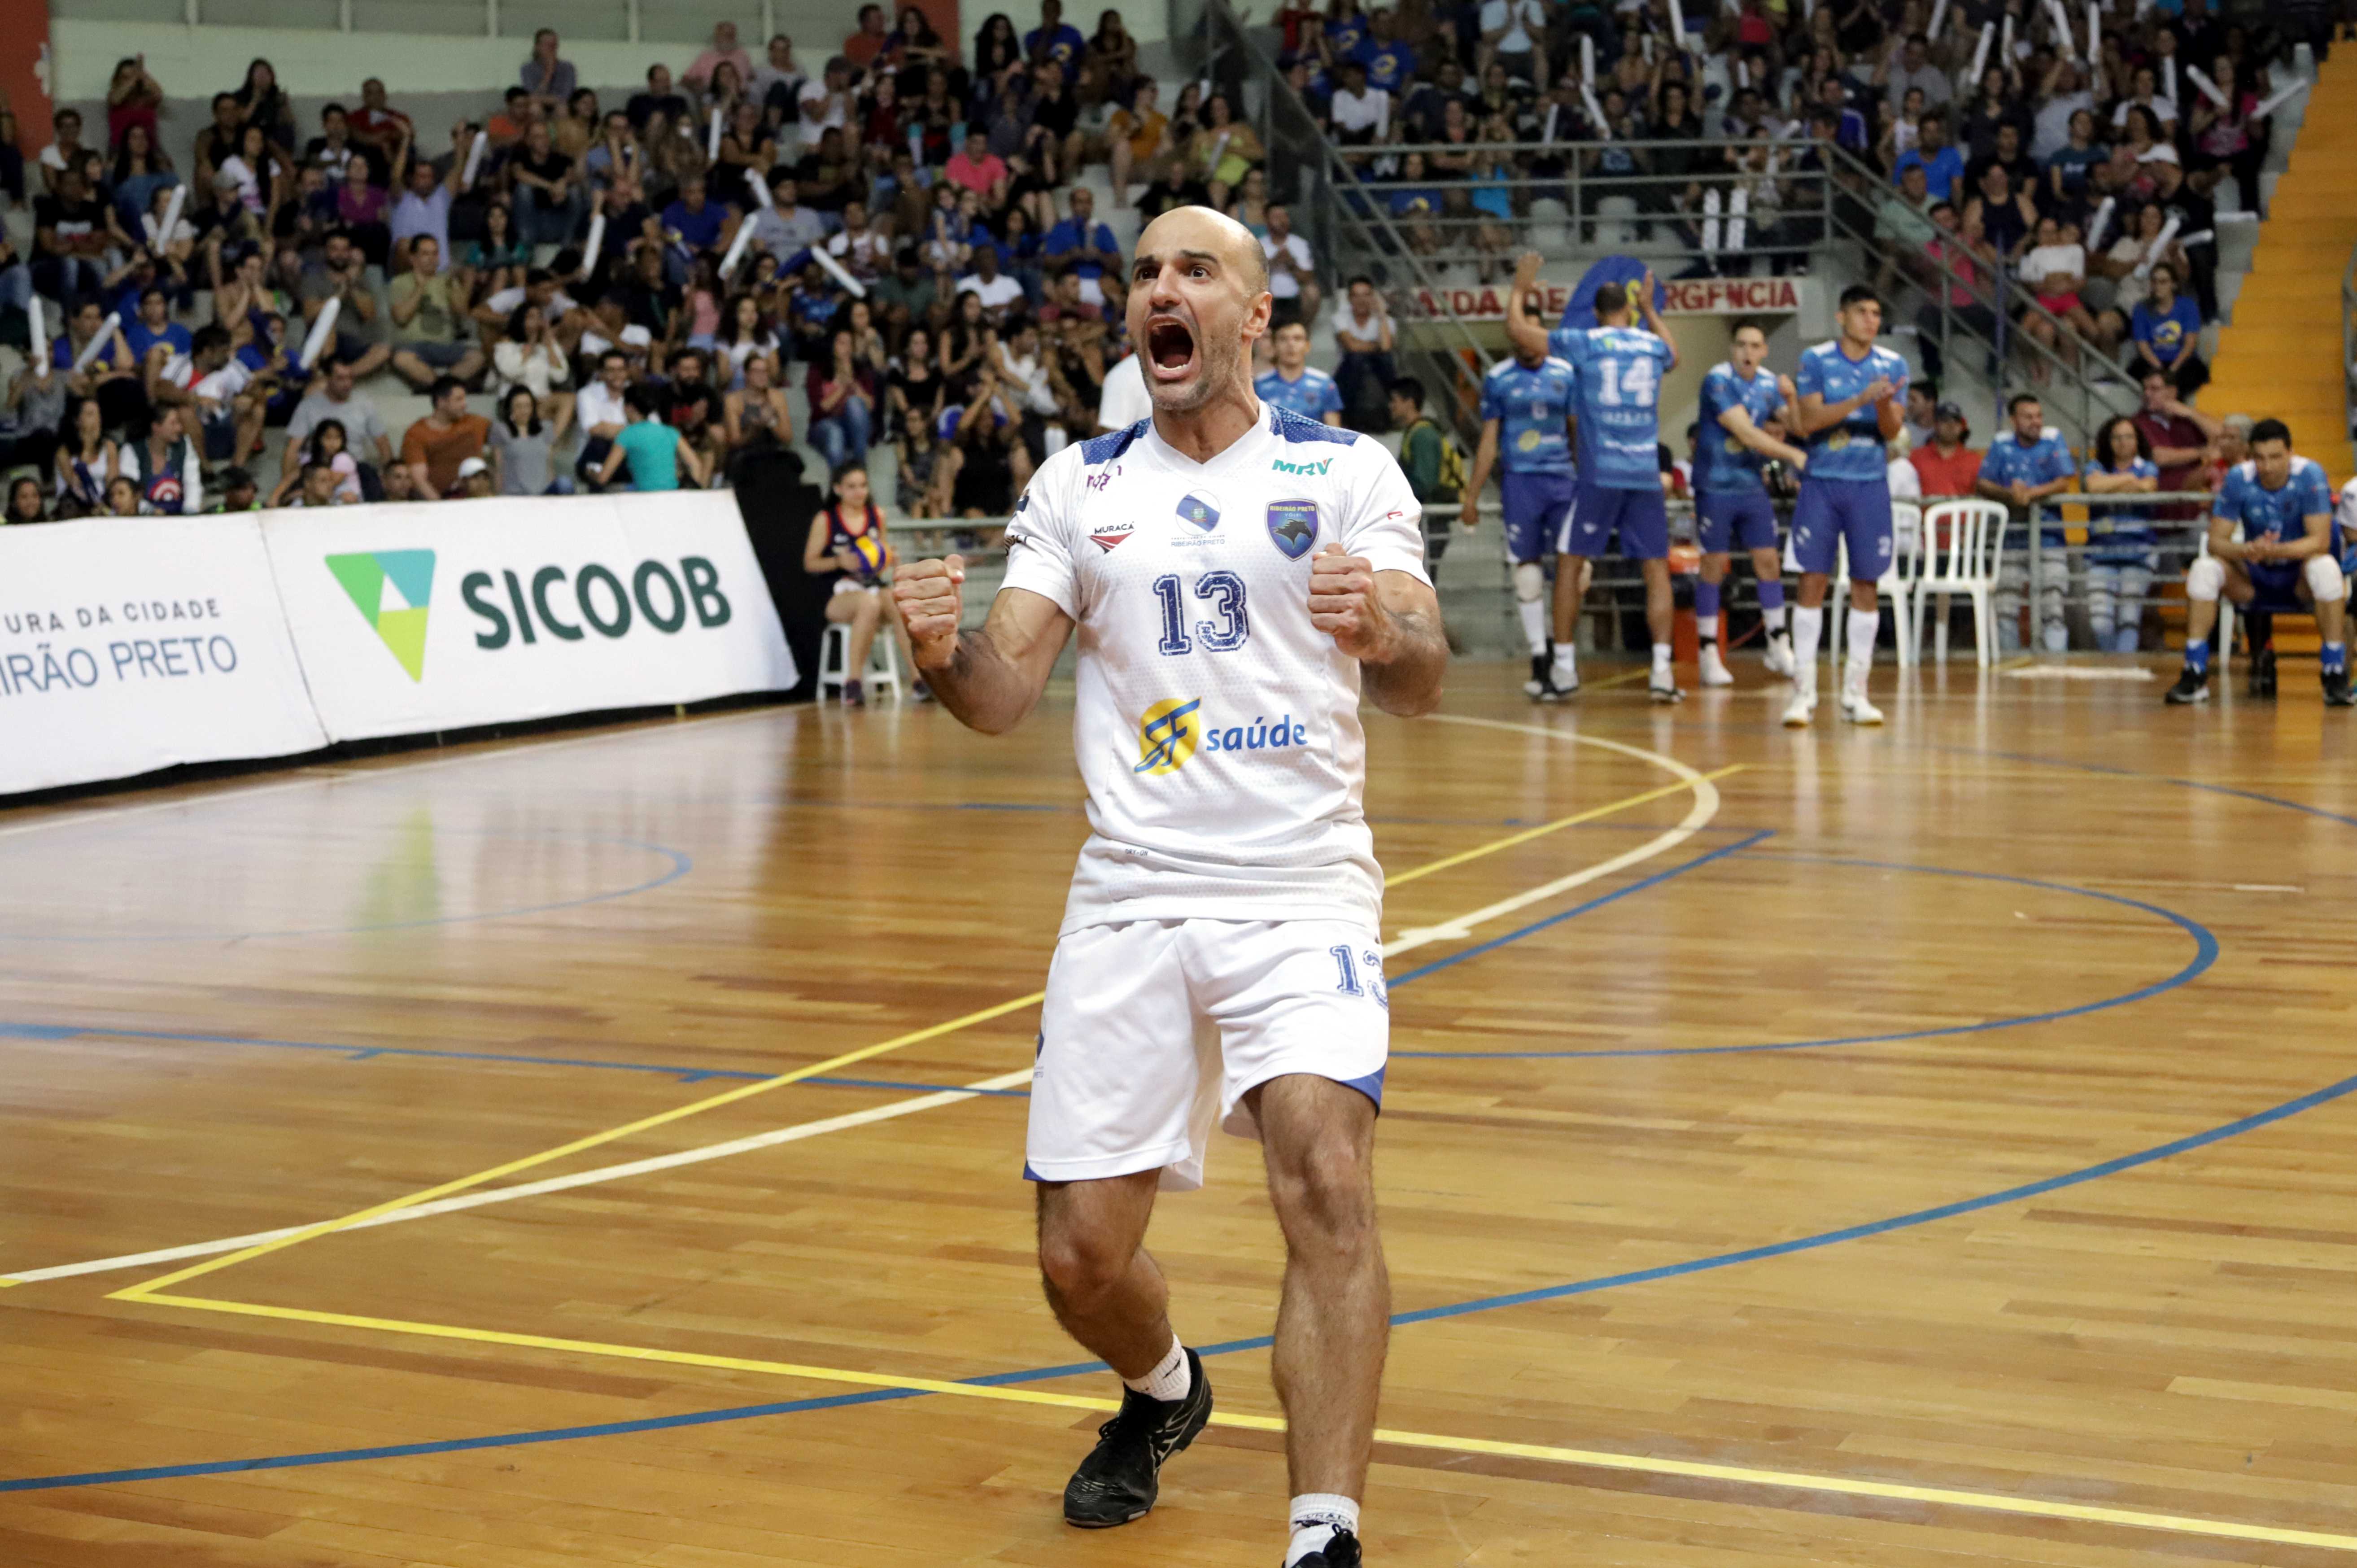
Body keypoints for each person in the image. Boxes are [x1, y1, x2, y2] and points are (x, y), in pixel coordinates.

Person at [888, 204, 1442, 1568]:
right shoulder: (1078, 486)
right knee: (1078, 1258)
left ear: (1253, 315)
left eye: (1193, 271)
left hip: (1301, 886)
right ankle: (1160, 1389)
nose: (1159, 292)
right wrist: (939, 650)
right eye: (1142, 274)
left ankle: (1323, 1533)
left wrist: (1381, 627)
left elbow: (1423, 666)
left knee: (1324, 1173)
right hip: (1130, 894)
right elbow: (1002, 692)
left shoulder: (1345, 468)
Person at [1506, 254, 1681, 702]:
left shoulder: (1585, 342)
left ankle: (1563, 669)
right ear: (1629, 308)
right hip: (1644, 471)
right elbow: (1674, 355)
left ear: (1597, 312)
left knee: (1569, 561)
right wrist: (1652, 310)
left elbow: (1521, 334)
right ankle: (1662, 671)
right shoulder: (1650, 345)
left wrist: (1521, 289)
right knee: (1655, 569)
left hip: (1600, 473)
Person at [1782, 284, 1908, 728]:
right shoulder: (1816, 360)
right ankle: (1804, 693)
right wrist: (1859, 399)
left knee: (1865, 585)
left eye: (1876, 313)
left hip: (1869, 485)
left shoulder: (1893, 364)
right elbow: (1810, 421)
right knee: (1811, 583)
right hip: (1821, 482)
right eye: (1862, 312)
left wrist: (1885, 403)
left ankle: (1856, 693)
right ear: (1842, 317)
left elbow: (1892, 433)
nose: (1871, 321)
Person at [2167, 419, 2348, 707]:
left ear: (2291, 453)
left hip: (2299, 579)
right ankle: (2194, 673)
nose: (2268, 466)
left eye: (2276, 457)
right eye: (2260, 458)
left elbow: (2320, 542)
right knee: (2203, 570)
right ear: (2251, 456)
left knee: (2326, 568)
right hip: (2253, 579)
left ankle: (2334, 673)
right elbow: (2216, 542)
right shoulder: (2239, 477)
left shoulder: (2310, 474)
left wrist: (2274, 550)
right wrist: (2247, 550)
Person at [1460, 318, 1577, 696]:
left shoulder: (1567, 373)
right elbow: (1489, 442)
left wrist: (1588, 485)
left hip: (1564, 481)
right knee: (1526, 575)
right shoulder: (1499, 378)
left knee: (1577, 571)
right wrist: (1472, 496)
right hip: (1521, 483)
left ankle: (1564, 656)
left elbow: (1579, 433)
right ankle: (1541, 658)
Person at [1692, 322, 1809, 688]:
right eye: (1741, 345)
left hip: (1750, 485)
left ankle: (1778, 643)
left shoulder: (1768, 383)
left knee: (1768, 560)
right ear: (1733, 349)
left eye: (1755, 346)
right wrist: (1793, 454)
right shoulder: (1718, 380)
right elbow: (1745, 432)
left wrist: (1791, 399)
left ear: (1764, 351)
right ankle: (1708, 650)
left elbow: (1803, 427)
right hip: (1715, 484)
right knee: (1713, 563)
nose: (1747, 352)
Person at [803, 464, 919, 704]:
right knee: (869, 604)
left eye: (863, 486)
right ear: (838, 489)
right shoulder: (826, 520)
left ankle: (918, 678)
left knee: (899, 603)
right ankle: (853, 682)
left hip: (871, 586)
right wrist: (838, 561)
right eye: (852, 487)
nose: (859, 492)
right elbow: (810, 563)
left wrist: (888, 558)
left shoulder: (877, 516)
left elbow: (880, 561)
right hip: (837, 594)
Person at [1974, 393, 2078, 653]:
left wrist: (2030, 494)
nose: (2036, 422)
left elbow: (2064, 481)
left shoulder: (2053, 438)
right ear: (2014, 420)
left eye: (2039, 416)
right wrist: (2010, 494)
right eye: (2028, 417)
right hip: (2010, 538)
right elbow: (1983, 483)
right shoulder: (2001, 443)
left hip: (2050, 537)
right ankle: (2009, 665)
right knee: (2005, 608)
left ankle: (2055, 667)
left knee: (2053, 606)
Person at [2080, 415, 2161, 653]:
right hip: (2099, 554)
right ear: (2108, 441)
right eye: (2116, 437)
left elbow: (2148, 487)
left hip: (2139, 553)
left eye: (2128, 437)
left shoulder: (2148, 467)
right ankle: (2112, 662)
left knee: (2129, 617)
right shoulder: (2095, 467)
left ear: (2137, 441)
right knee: (2099, 620)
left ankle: (2124, 667)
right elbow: (2093, 487)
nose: (2122, 442)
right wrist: (2128, 479)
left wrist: (2110, 484)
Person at [1386, 377, 1458, 567]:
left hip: (1429, 522)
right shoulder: (1416, 433)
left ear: (1409, 403)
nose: (1390, 405)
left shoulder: (1423, 435)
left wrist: (1391, 497)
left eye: (1395, 400)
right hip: (1425, 521)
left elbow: (1425, 483)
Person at [598, 381, 708, 491]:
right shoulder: (669, 432)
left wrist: (591, 474)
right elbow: (696, 465)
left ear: (630, 407)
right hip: (673, 496)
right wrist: (690, 493)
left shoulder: (627, 434)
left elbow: (603, 478)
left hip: (646, 498)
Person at [401, 375, 491, 497]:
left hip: (480, 503)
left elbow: (505, 436)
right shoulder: (416, 434)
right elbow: (419, 480)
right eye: (459, 399)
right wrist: (442, 508)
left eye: (465, 399)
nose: (465, 404)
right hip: (442, 504)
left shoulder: (475, 423)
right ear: (441, 402)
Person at [1253, 320, 1343, 426]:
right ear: (1274, 346)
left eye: (1298, 339)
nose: (1291, 344)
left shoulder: (1325, 384)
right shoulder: (1259, 385)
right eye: (1283, 339)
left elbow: (1334, 431)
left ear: (1308, 346)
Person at [1908, 400, 1982, 498]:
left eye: (1956, 422)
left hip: (1964, 512)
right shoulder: (1916, 457)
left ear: (1962, 427)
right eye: (1945, 421)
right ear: (1936, 425)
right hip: (1926, 512)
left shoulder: (1974, 460)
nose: (1951, 426)